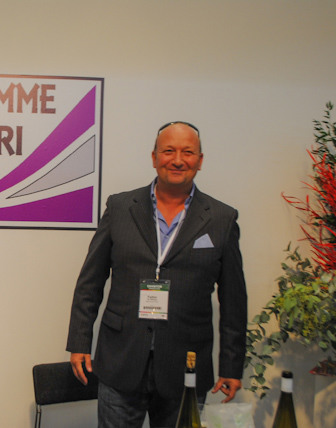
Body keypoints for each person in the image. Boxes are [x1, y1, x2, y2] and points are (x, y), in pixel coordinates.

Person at [66, 121, 247, 428]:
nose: (177, 160)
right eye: (168, 151)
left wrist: (231, 365)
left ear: (200, 160)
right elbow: (90, 282)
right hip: (121, 360)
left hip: (186, 367)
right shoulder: (120, 207)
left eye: (187, 152)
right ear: (154, 157)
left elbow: (234, 301)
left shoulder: (222, 219)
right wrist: (80, 341)